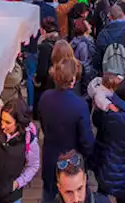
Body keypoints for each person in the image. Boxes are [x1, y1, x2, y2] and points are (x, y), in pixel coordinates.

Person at [37, 60, 95, 192]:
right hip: (72, 162)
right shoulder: (79, 105)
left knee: (50, 199)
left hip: (50, 158)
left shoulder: (45, 97)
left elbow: (43, 125)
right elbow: (86, 140)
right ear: (73, 79)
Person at [95, 4, 125, 80]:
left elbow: (97, 60)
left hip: (109, 78)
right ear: (123, 15)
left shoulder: (102, 34)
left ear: (110, 17)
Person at [70, 19, 98, 94]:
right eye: (88, 24)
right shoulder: (84, 44)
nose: (90, 26)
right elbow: (85, 62)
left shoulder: (77, 41)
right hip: (86, 77)